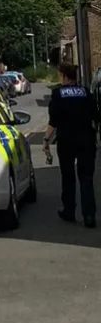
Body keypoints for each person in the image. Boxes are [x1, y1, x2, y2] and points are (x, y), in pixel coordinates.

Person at [43, 63, 98, 228]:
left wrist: (46, 140)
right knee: (86, 178)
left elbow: (53, 121)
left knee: (68, 177)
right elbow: (96, 116)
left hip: (66, 141)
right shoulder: (86, 92)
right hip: (86, 140)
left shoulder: (58, 94)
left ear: (65, 77)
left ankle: (69, 210)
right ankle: (89, 215)